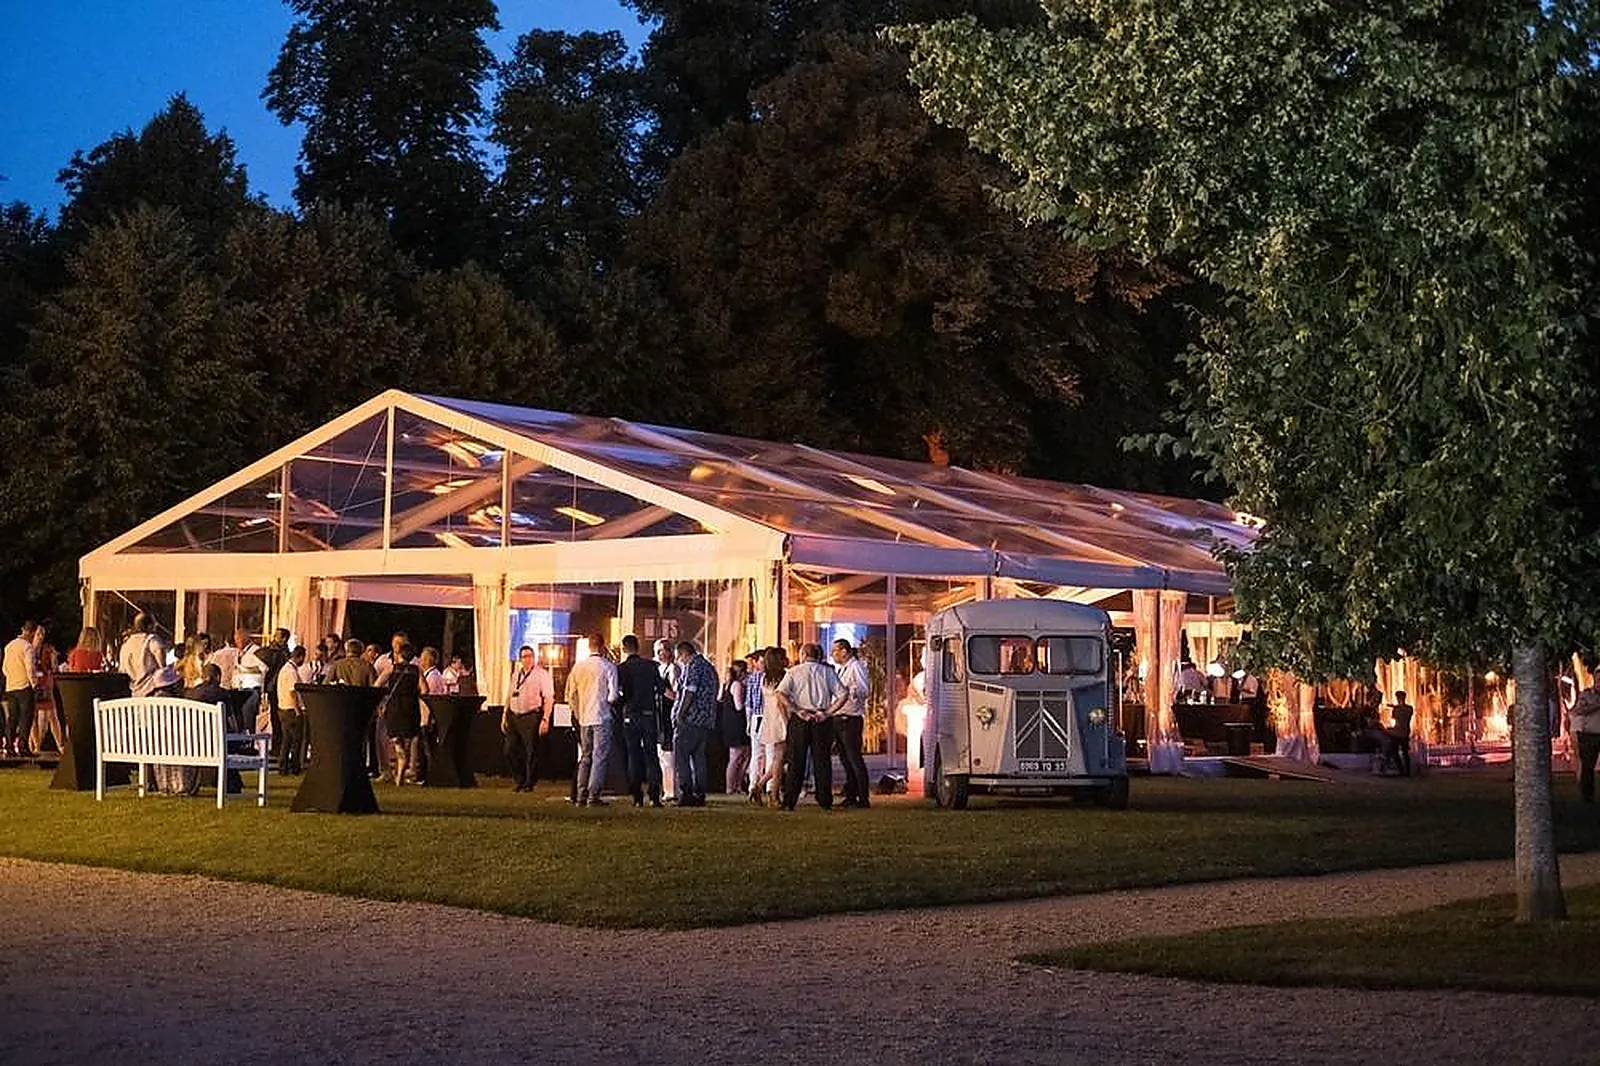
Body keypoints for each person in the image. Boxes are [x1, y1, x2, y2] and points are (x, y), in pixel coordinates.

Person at [777, 643, 847, 811]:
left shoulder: (794, 672)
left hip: (801, 717)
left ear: (803, 654)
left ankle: (790, 799)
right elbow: (843, 694)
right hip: (821, 717)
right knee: (822, 760)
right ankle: (824, 799)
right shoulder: (827, 672)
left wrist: (796, 709)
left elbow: (780, 693)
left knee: (796, 760)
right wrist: (828, 712)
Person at [566, 633, 619, 806]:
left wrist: (577, 712)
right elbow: (613, 696)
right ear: (603, 646)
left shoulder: (578, 667)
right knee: (599, 757)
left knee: (585, 756)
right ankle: (593, 794)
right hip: (602, 716)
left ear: (589, 646)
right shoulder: (608, 667)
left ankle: (581, 794)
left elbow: (571, 694)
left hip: (584, 718)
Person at [615, 634, 665, 806]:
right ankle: (654, 796)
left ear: (624, 649)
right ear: (638, 647)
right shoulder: (650, 666)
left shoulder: (622, 669)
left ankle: (637, 796)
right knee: (651, 755)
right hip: (649, 714)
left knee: (633, 755)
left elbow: (617, 693)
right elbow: (661, 688)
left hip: (630, 714)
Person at [670, 640, 719, 806]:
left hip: (691, 719)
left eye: (679, 657)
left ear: (684, 654)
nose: (679, 661)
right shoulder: (709, 667)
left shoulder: (693, 667)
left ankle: (687, 793)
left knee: (682, 756)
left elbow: (689, 692)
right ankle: (700, 793)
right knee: (699, 758)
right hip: (705, 720)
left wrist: (680, 714)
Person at [830, 638, 873, 808]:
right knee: (846, 759)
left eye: (835, 651)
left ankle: (863, 796)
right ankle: (851, 794)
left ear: (844, 652)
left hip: (850, 718)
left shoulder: (856, 667)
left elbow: (864, 690)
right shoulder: (842, 669)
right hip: (839, 717)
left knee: (854, 758)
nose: (832, 654)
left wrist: (850, 692)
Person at [504, 645, 553, 792]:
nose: (528, 659)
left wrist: (545, 718)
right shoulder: (516, 674)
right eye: (525, 657)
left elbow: (549, 698)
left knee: (531, 751)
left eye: (531, 656)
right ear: (520, 659)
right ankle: (520, 779)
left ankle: (529, 783)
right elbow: (510, 695)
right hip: (514, 715)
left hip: (531, 715)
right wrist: (505, 715)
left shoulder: (541, 674)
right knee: (509, 750)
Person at [750, 648, 789, 805]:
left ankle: (759, 786)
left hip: (770, 718)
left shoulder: (765, 678)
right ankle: (774, 794)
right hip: (780, 719)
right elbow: (781, 703)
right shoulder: (783, 677)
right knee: (780, 758)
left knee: (780, 758)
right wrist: (787, 723)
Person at [381, 642, 423, 785]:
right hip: (411, 706)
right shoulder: (416, 670)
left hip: (395, 706)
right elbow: (425, 689)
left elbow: (377, 684)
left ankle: (400, 765)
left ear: (399, 655)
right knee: (407, 740)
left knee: (396, 740)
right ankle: (400, 774)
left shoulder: (392, 669)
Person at [3, 621, 40, 757]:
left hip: (11, 685)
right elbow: (30, 668)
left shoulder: (9, 646)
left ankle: (9, 746)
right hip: (24, 686)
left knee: (12, 717)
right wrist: (34, 683)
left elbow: (5, 668)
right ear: (32, 632)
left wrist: (11, 677)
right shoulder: (27, 647)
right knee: (26, 717)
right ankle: (23, 746)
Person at [275, 645, 312, 775]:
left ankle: (283, 767)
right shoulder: (291, 671)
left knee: (287, 740)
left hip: (283, 707)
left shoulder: (285, 669)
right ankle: (294, 766)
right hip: (290, 709)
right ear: (300, 657)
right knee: (296, 740)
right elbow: (292, 691)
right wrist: (297, 709)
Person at [29, 626, 64, 755]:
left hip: (46, 685)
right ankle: (36, 746)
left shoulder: (47, 650)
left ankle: (60, 745)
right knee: (33, 717)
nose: (40, 637)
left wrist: (54, 660)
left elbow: (54, 669)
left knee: (52, 715)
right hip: (33, 685)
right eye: (38, 634)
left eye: (42, 634)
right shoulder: (29, 649)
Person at [654, 638, 681, 802]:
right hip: (659, 716)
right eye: (657, 651)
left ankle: (672, 790)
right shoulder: (659, 668)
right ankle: (667, 789)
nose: (660, 654)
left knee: (669, 756)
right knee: (662, 756)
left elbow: (677, 695)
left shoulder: (673, 669)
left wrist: (662, 690)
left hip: (668, 715)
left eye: (662, 650)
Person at [720, 660, 751, 795]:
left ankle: (735, 786)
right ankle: (732, 786)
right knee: (737, 756)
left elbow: (719, 698)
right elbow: (739, 706)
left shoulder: (727, 684)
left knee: (740, 756)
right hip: (737, 723)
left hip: (729, 722)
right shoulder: (737, 685)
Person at [1572, 666, 1600, 803]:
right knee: (1588, 767)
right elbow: (1579, 710)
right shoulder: (1586, 695)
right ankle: (1587, 798)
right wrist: (1597, 705)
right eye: (1599, 679)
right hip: (1590, 735)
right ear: (1594, 679)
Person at [1388, 690, 1415, 778]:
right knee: (1405, 752)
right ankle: (1407, 771)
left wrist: (1395, 708)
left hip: (1397, 733)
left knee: (1395, 751)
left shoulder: (1397, 709)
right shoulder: (1409, 708)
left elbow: (1394, 717)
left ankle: (1401, 770)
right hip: (1405, 732)